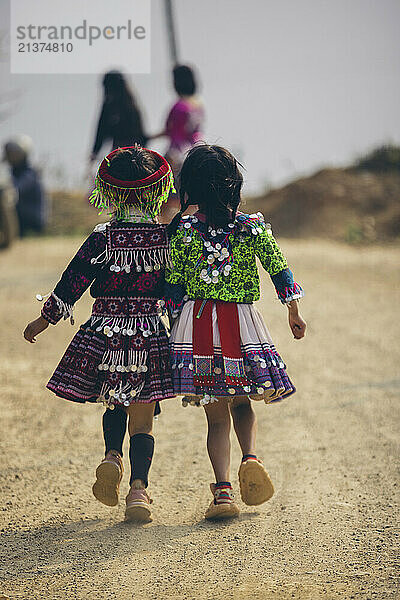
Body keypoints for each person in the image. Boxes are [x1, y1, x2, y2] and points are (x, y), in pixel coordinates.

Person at [23, 146, 176, 523]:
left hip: (106, 332)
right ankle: (138, 489)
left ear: (111, 192)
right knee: (144, 419)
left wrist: (44, 319)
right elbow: (174, 291)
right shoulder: (164, 239)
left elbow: (72, 280)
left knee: (114, 401)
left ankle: (111, 456)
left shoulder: (101, 237)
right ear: (156, 191)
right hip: (148, 332)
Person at [165, 144, 306, 520]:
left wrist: (171, 320)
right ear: (235, 185)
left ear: (190, 188)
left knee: (215, 418)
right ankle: (251, 457)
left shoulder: (183, 233)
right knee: (242, 401)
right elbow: (280, 270)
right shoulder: (253, 227)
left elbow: (174, 283)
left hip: (199, 325)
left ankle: (223, 491)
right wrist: (293, 310)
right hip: (242, 324)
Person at [151, 65, 204, 221]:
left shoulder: (178, 106)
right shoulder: (198, 104)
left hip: (176, 153)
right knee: (192, 197)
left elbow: (170, 130)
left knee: (163, 196)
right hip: (196, 150)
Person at [90, 71, 148, 163]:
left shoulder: (129, 107)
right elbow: (101, 131)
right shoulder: (112, 106)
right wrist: (94, 153)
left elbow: (101, 131)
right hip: (122, 153)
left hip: (129, 154)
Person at [3, 136, 47, 237]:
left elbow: (15, 191)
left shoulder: (30, 174)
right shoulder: (16, 172)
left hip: (33, 220)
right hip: (23, 216)